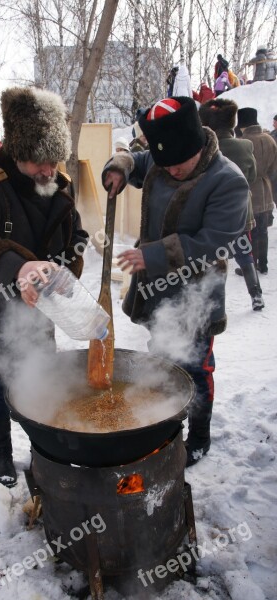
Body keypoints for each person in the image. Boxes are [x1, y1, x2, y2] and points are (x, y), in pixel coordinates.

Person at [0, 87, 88, 488]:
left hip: (37, 310)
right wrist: (20, 269)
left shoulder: (59, 184)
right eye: (38, 162)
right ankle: (1, 457)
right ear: (17, 151)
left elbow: (76, 235)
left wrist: (65, 268)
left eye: (53, 160)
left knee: (37, 384)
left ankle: (44, 457)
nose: (47, 170)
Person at [101, 97, 248, 467]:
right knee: (164, 360)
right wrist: (119, 167)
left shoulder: (228, 180)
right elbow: (135, 160)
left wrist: (151, 256)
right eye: (166, 165)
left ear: (198, 144)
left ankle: (199, 434)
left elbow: (217, 240)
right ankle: (168, 427)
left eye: (180, 165)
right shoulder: (164, 161)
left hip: (195, 296)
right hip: (156, 295)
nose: (173, 171)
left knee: (196, 367)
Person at [198, 98, 264, 310]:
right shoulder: (245, 146)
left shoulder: (203, 148)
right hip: (241, 212)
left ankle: (213, 305)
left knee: (214, 260)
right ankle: (256, 295)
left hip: (212, 215)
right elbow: (252, 176)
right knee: (245, 254)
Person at [237, 107, 277, 274]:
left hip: (250, 190)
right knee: (263, 229)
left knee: (250, 229)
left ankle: (251, 264)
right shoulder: (270, 139)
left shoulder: (244, 142)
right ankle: (264, 263)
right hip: (266, 187)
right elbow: (274, 169)